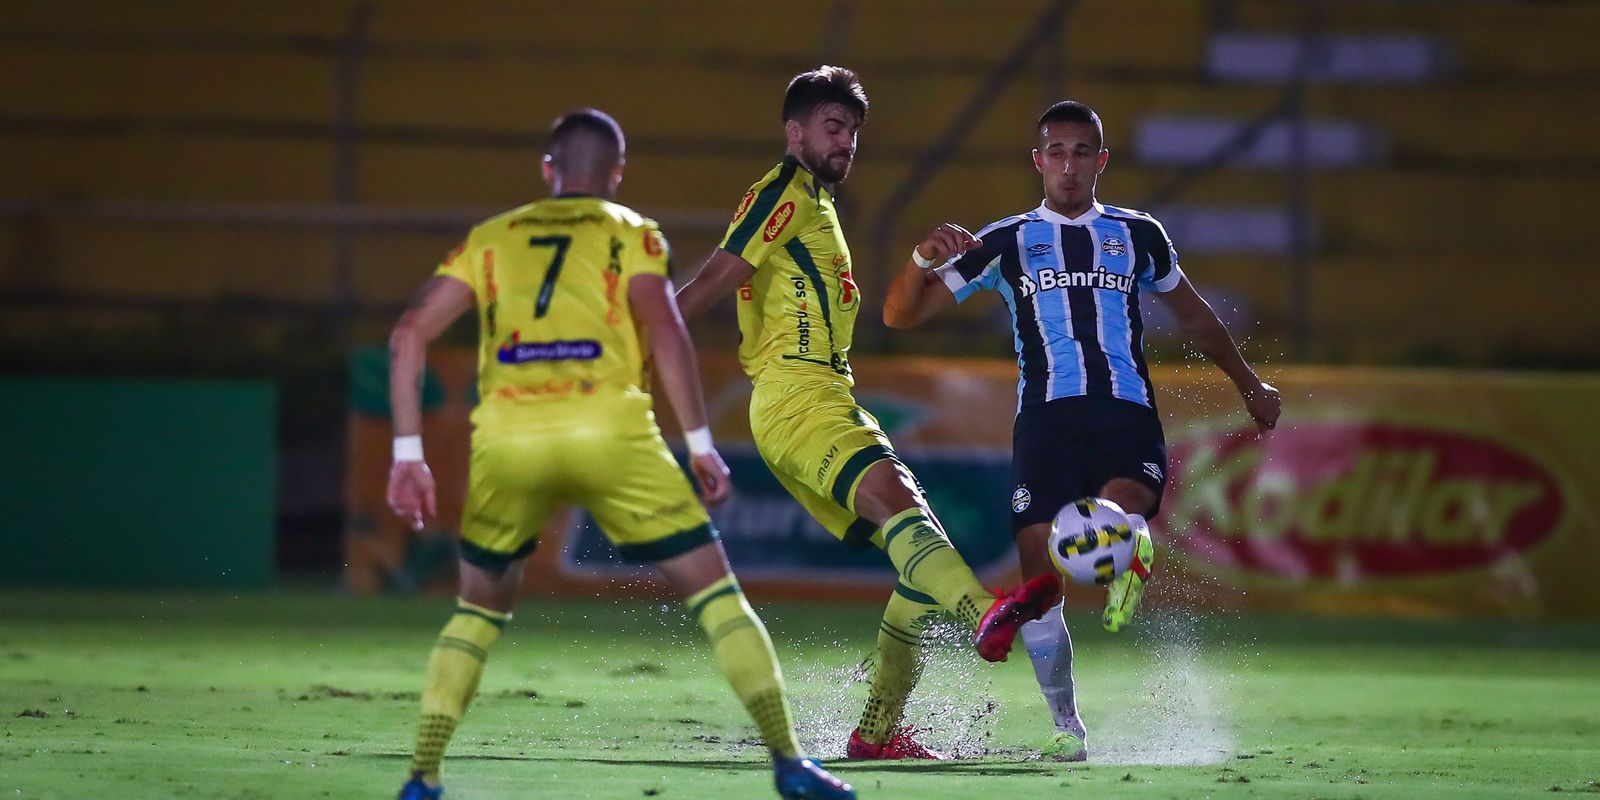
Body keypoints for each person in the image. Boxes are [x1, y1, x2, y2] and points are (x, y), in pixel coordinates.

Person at [385, 109, 855, 800]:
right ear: (616, 174)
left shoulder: (491, 239)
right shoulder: (631, 232)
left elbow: (407, 334)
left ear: (548, 171)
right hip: (611, 431)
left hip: (510, 439)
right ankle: (789, 764)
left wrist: (407, 452)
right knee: (717, 593)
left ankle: (423, 776)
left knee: (479, 608)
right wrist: (699, 444)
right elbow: (665, 330)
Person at [675, 66, 1061, 762]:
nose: (846, 141)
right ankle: (983, 613)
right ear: (794, 132)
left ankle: (876, 733)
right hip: (797, 395)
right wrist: (642, 346)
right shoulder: (781, 195)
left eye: (852, 130)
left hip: (823, 395)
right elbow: (711, 282)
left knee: (919, 553)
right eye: (832, 126)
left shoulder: (819, 207)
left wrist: (919, 257)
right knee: (897, 499)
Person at [881, 100, 1282, 762]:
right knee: (1041, 578)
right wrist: (921, 257)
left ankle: (1128, 543)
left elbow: (1196, 316)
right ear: (1038, 162)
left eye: (1081, 151)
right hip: (1045, 421)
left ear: (1102, 160)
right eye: (1056, 152)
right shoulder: (1004, 242)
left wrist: (1249, 384)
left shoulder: (1137, 234)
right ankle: (1067, 726)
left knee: (1113, 512)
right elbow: (900, 315)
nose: (1069, 165)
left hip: (1123, 410)